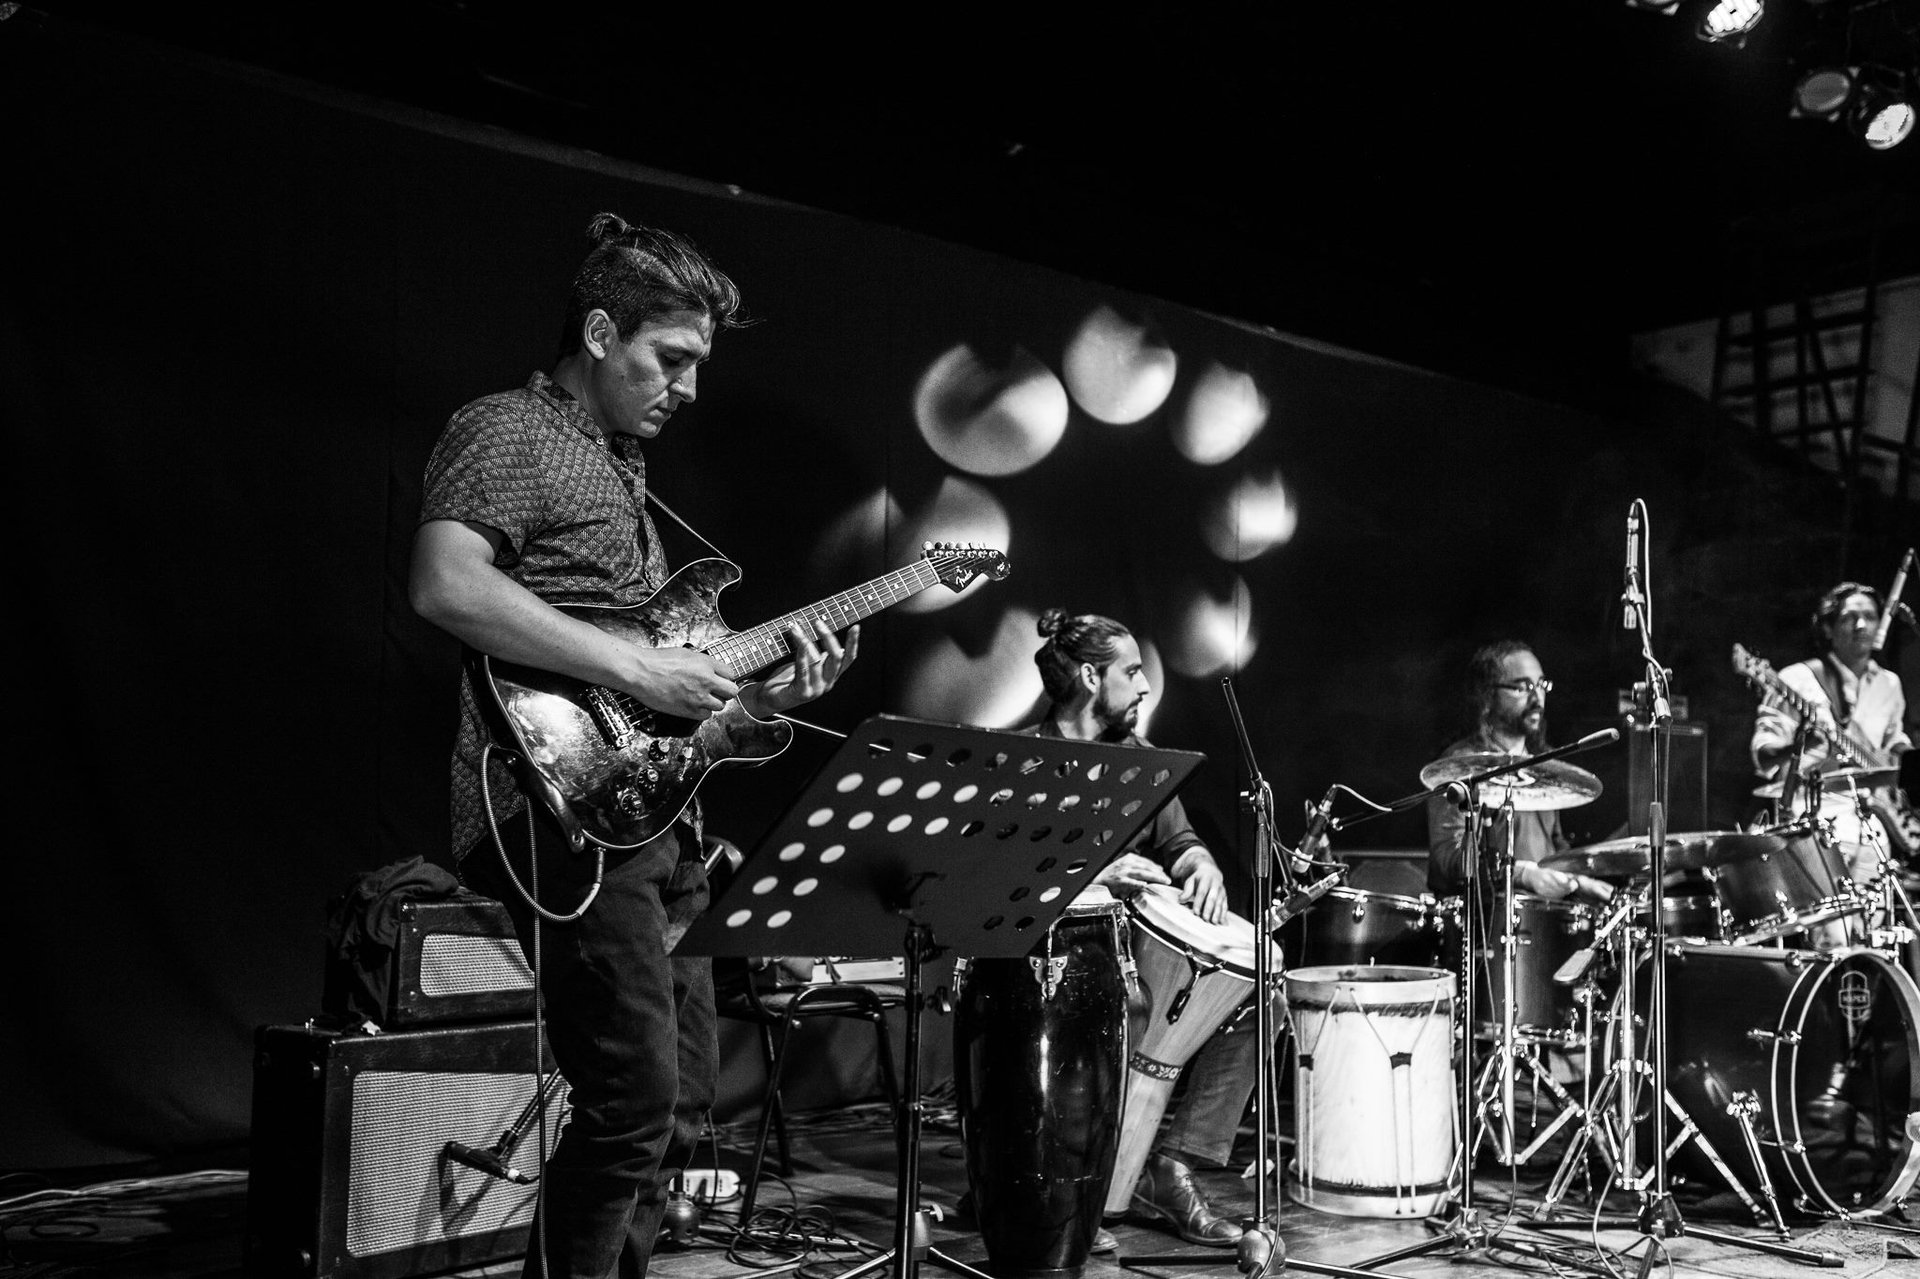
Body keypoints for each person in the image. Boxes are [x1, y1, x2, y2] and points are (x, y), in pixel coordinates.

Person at [409, 212, 858, 1279]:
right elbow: (444, 583)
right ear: (602, 332)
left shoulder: (624, 473)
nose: (689, 389)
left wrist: (765, 697)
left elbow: (660, 711)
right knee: (631, 1100)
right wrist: (641, 671)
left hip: (651, 821)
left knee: (680, 1102)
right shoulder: (508, 429)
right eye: (673, 358)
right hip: (552, 810)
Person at [1022, 609, 1252, 1249]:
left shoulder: (1143, 762)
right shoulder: (1026, 761)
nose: (1146, 686)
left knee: (1258, 991)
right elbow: (1004, 874)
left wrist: (1201, 864)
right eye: (1132, 671)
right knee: (1117, 1000)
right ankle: (1062, 1179)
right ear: (1091, 677)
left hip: (1140, 949)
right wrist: (1095, 875)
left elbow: (1179, 840)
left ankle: (1169, 1168)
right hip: (1058, 953)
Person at [1425, 641, 1612, 904]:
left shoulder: (1545, 769)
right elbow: (1449, 860)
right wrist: (1521, 874)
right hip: (1487, 916)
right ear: (1487, 696)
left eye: (1541, 685)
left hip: (1546, 915)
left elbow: (1556, 847)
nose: (1537, 698)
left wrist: (1579, 880)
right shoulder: (1462, 767)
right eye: (1522, 687)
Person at [1749, 581, 1913, 862]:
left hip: (1873, 832)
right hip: (1813, 826)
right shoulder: (1797, 679)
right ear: (1828, 628)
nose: (1861, 625)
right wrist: (1805, 744)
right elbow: (1763, 757)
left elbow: (1894, 742)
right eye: (1849, 617)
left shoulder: (1889, 684)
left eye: (1870, 617)